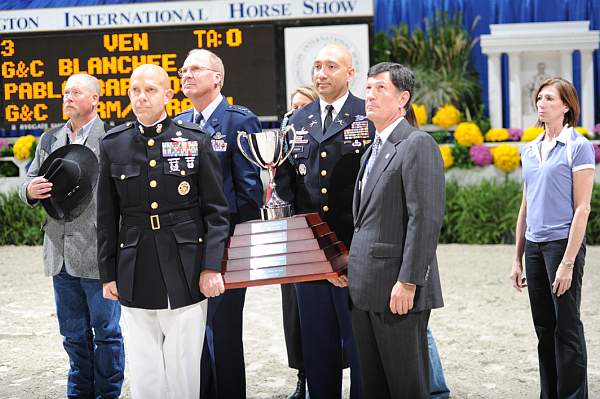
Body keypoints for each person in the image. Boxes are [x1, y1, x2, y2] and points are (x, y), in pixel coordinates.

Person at [97, 64, 230, 398]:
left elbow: (216, 211)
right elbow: (107, 214)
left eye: (151, 90)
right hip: (134, 265)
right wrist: (107, 273)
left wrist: (211, 266)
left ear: (168, 95)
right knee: (145, 370)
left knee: (184, 369)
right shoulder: (114, 144)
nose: (141, 97)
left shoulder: (194, 140)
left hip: (185, 266)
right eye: (135, 90)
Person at [275, 43, 373, 399]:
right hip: (311, 253)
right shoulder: (297, 121)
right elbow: (285, 184)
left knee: (362, 346)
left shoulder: (368, 116)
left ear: (350, 74)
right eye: (317, 66)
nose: (321, 73)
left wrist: (354, 253)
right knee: (318, 348)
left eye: (331, 66)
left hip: (357, 249)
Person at [19, 73, 125, 398]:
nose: (67, 97)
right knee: (73, 335)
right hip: (59, 253)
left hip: (99, 254)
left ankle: (107, 394)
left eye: (76, 92)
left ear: (95, 99)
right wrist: (29, 189)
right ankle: (78, 393)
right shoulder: (49, 139)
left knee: (106, 333)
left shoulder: (113, 138)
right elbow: (31, 178)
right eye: (65, 92)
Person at [348, 62, 445, 398]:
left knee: (406, 387)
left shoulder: (417, 144)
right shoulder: (372, 152)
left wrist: (408, 281)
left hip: (397, 290)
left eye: (380, 88)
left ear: (402, 98)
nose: (370, 95)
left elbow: (426, 220)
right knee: (375, 387)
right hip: (365, 289)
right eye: (368, 88)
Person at [175, 49, 263, 399]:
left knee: (222, 333)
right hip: (184, 245)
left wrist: (240, 247)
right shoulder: (178, 122)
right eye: (183, 70)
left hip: (226, 244)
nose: (186, 74)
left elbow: (249, 192)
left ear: (217, 78)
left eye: (195, 68)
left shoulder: (239, 120)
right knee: (193, 333)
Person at [510, 77, 595, 399]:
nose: (541, 103)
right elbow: (525, 205)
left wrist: (568, 262)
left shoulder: (578, 146)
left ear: (566, 106)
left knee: (567, 326)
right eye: (539, 98)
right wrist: (517, 258)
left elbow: (583, 208)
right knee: (544, 328)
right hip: (533, 246)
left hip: (563, 245)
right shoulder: (529, 150)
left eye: (549, 98)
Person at [279, 85, 318, 399]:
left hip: (323, 233)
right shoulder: (284, 144)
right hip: (291, 238)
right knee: (295, 314)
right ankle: (304, 376)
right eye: (292, 108)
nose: (296, 114)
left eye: (304, 107)